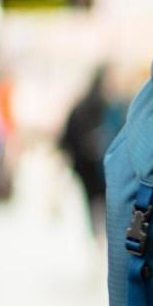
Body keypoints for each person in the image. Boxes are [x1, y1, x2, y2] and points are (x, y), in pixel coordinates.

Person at [59, 67, 112, 238]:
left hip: (83, 164)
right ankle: (104, 233)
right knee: (106, 201)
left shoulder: (80, 105)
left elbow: (66, 137)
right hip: (101, 163)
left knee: (90, 201)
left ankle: (96, 234)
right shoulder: (106, 105)